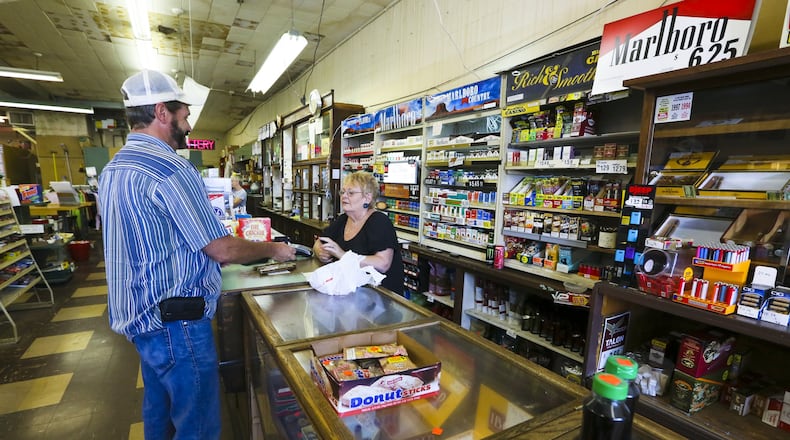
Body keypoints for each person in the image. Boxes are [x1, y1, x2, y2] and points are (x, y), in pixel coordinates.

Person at [100, 69, 296, 440]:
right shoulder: (171, 168)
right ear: (162, 112)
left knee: (160, 415)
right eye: (185, 116)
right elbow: (221, 248)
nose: (188, 126)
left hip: (141, 318)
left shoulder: (115, 168)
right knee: (198, 425)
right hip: (178, 323)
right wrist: (274, 248)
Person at [312, 171, 404, 294]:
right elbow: (319, 242)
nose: (344, 196)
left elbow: (383, 263)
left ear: (367, 197)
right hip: (351, 291)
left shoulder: (379, 222)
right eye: (343, 192)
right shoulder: (343, 219)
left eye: (351, 193)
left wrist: (343, 255)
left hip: (380, 296)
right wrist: (321, 252)